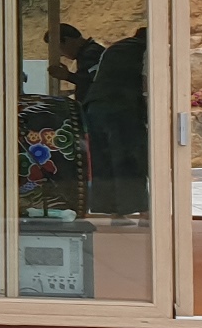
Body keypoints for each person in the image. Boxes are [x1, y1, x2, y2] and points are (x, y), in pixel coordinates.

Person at [85, 26, 150, 214]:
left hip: (95, 106)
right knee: (129, 160)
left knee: (103, 160)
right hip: (122, 108)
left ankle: (109, 210)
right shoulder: (146, 50)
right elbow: (147, 83)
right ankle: (140, 211)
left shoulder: (115, 48)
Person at [49, 24, 105, 98]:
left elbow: (96, 82)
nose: (60, 54)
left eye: (59, 49)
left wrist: (68, 76)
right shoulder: (88, 52)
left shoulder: (91, 53)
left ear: (67, 40)